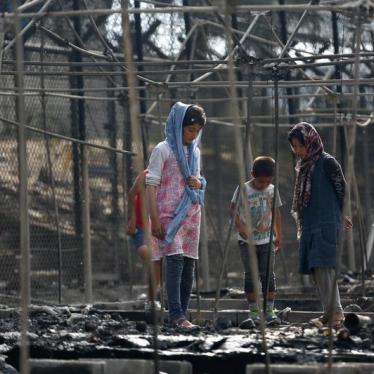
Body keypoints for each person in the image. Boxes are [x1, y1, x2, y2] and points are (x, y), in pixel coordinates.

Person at [146, 102, 207, 328]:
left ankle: (182, 313)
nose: (193, 135)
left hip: (191, 214)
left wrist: (198, 182)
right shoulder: (163, 150)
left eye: (197, 131)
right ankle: (176, 315)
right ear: (178, 125)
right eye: (190, 130)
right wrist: (154, 218)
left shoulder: (195, 152)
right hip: (169, 216)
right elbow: (151, 184)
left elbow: (198, 180)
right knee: (174, 262)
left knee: (189, 264)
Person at [288, 122, 353, 329]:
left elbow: (341, 190)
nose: (297, 151)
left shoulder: (327, 163)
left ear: (310, 141)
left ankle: (336, 312)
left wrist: (344, 214)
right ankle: (329, 311)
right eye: (294, 147)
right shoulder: (305, 166)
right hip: (310, 224)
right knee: (317, 268)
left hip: (325, 222)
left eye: (300, 146)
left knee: (325, 267)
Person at [230, 156, 282, 327]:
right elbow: (233, 210)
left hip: (267, 239)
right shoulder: (243, 189)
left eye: (268, 181)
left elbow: (276, 212)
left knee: (268, 275)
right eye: (261, 182)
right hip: (248, 241)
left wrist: (278, 234)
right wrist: (240, 226)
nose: (264, 185)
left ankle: (269, 311)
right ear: (253, 174)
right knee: (251, 276)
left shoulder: (272, 190)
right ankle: (253, 312)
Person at [126, 169, 162, 308]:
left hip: (157, 226)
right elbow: (131, 194)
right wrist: (133, 218)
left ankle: (152, 298)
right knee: (147, 253)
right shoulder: (145, 175)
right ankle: (153, 296)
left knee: (157, 260)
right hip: (141, 227)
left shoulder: (171, 176)